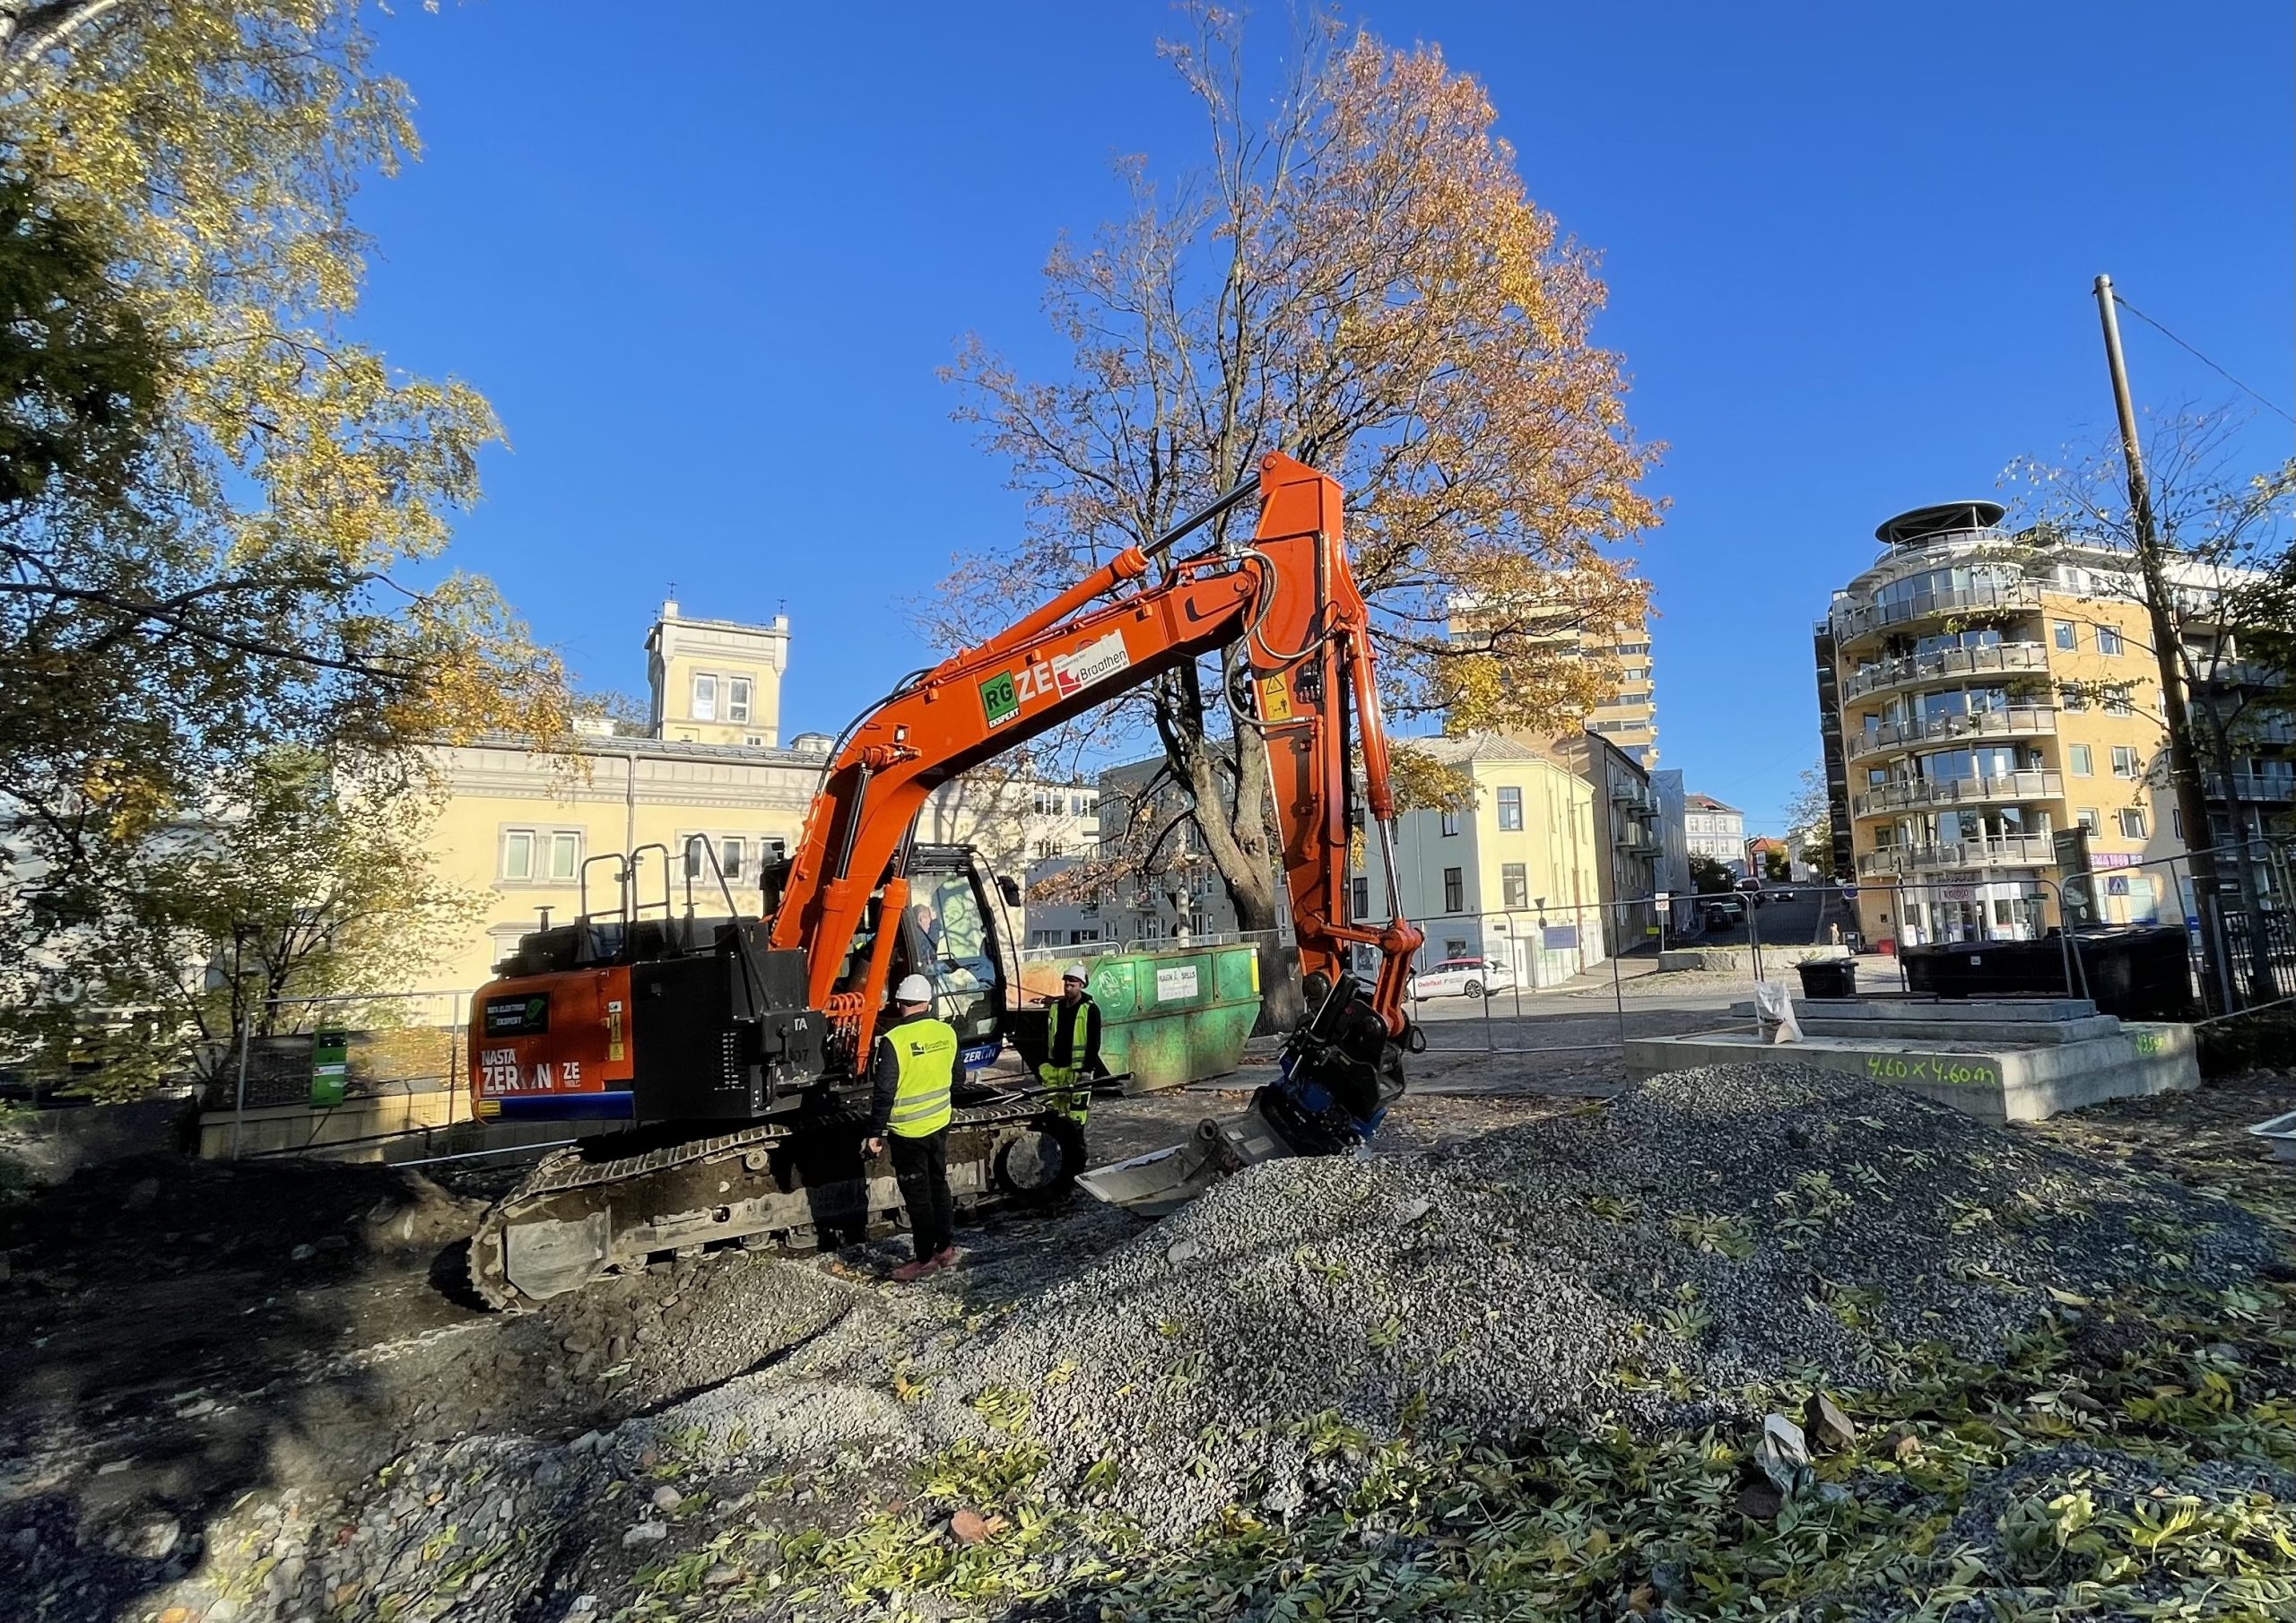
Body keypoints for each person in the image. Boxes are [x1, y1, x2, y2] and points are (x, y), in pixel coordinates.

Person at [863, 973, 962, 1282]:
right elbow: (957, 1078)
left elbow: (884, 1092)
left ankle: (923, 1259)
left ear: (899, 1003)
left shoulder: (894, 1040)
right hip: (938, 1123)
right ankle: (945, 1249)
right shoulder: (947, 1032)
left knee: (918, 1196)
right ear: (928, 1001)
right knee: (938, 1184)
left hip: (908, 1132)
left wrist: (875, 1133)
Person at [1037, 968, 1105, 1127]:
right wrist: (1044, 1062)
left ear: (1081, 985)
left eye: (1072, 985)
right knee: (1050, 1114)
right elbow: (1047, 1036)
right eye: (1066, 984)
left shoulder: (1090, 1010)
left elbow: (1094, 1042)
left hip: (1078, 1071)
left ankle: (1076, 1149)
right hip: (1054, 1069)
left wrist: (1087, 1070)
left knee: (1076, 1116)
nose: (1068, 988)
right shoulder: (1056, 1007)